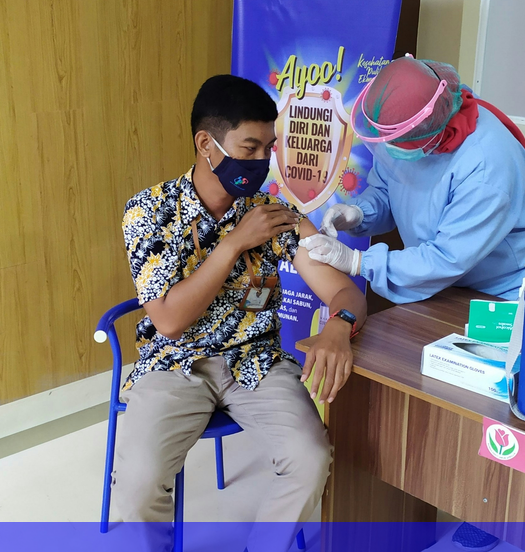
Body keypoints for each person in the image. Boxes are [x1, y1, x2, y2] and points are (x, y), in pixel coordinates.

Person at [112, 74, 367, 552]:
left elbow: (343, 291)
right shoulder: (149, 212)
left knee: (311, 459)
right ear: (205, 144)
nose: (260, 162)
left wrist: (340, 325)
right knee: (138, 484)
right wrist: (233, 244)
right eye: (249, 148)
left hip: (256, 363)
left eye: (268, 148)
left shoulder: (273, 213)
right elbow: (168, 321)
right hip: (175, 364)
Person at [300, 56, 525, 303]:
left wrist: (358, 262)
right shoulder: (405, 129)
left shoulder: (486, 164)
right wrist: (359, 213)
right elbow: (390, 187)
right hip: (456, 277)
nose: (389, 148)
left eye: (397, 142)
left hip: (514, 283)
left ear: (425, 132)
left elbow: (448, 257)